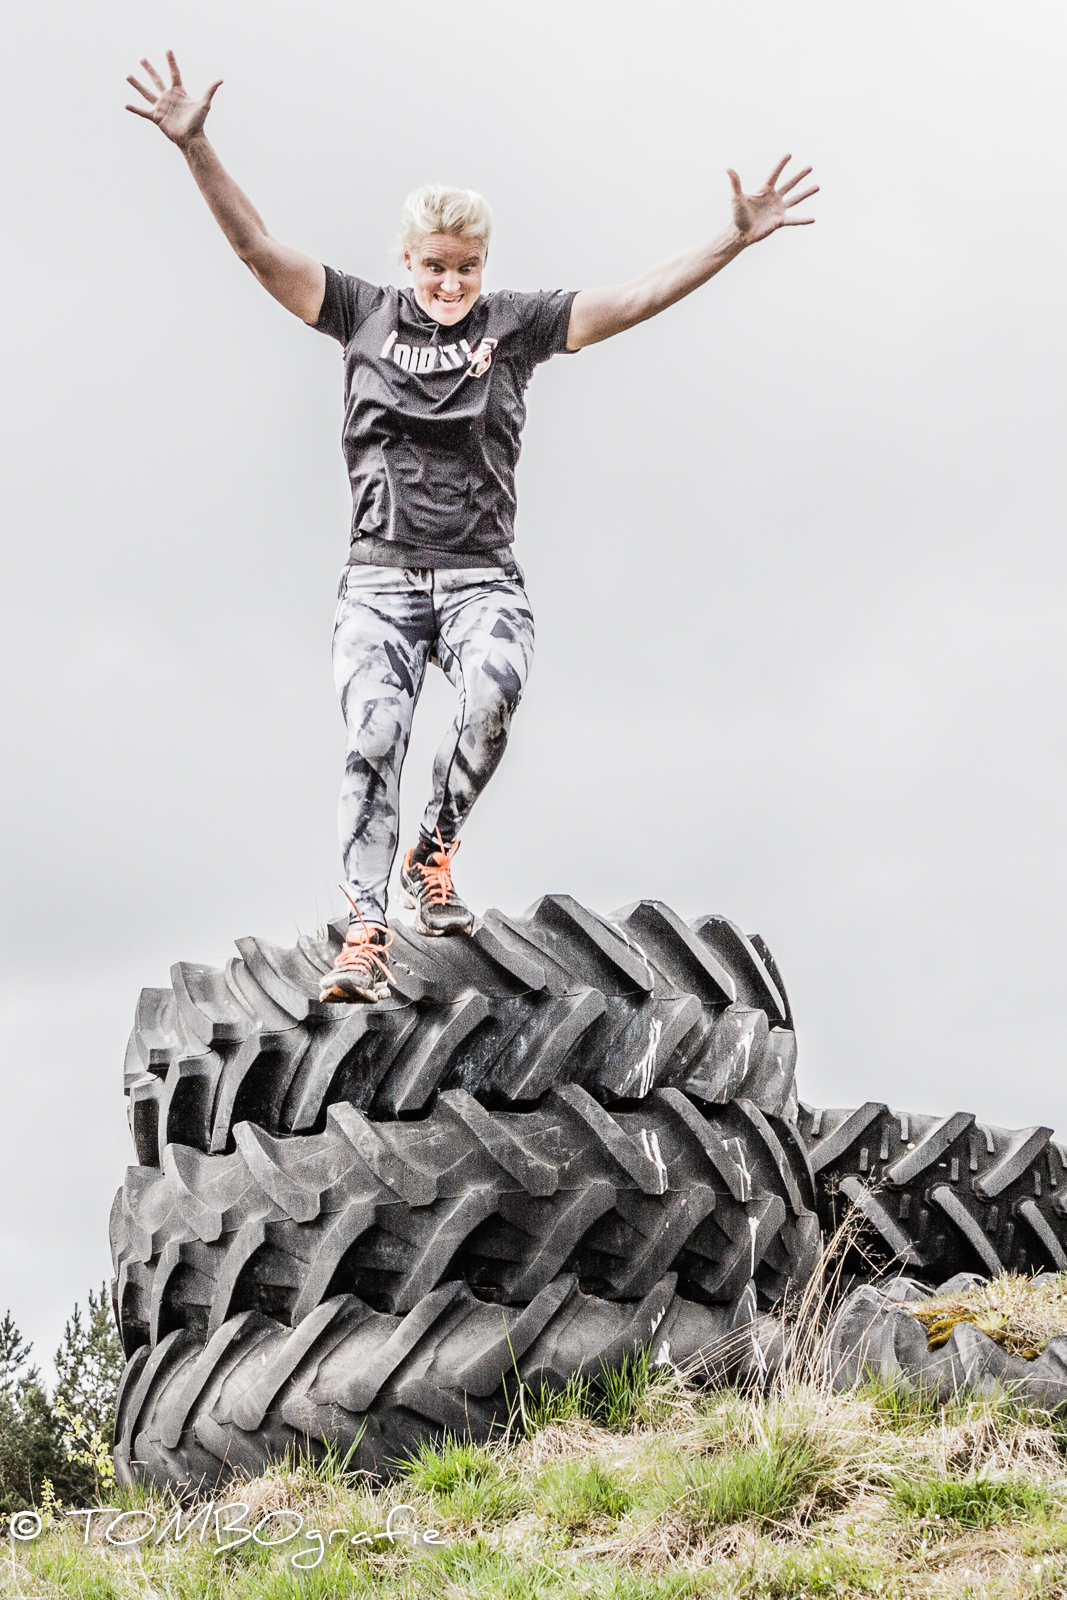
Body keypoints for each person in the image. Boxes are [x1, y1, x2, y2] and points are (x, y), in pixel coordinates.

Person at [126, 51, 818, 1006]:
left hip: (480, 574)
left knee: (493, 696)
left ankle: (433, 854)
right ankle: (364, 935)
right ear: (406, 263)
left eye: (465, 268)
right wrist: (196, 145)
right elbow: (258, 251)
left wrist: (728, 242)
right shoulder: (359, 314)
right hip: (378, 577)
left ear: (481, 268)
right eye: (434, 268)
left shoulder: (516, 325)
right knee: (375, 732)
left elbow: (633, 297)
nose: (450, 282)